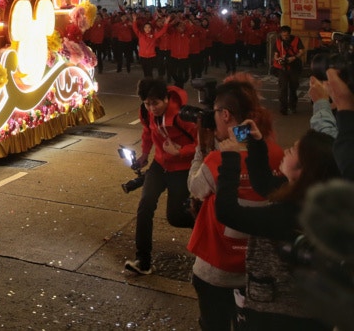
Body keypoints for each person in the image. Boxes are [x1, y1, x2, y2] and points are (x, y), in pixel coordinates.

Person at [215, 124, 339, 329]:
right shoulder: (314, 198)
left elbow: (227, 212)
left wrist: (229, 160)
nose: (287, 149)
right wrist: (256, 143)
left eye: (292, 150)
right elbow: (264, 183)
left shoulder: (290, 216)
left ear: (304, 170)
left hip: (278, 316)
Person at [187, 74, 284, 331]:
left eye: (216, 112)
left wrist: (201, 149)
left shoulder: (217, 161)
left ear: (226, 115)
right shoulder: (275, 153)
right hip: (257, 269)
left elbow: (195, 189)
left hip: (216, 269)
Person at [124, 78, 198, 276]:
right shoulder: (145, 112)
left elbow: (202, 144)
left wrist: (180, 152)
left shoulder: (183, 116)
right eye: (147, 103)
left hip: (181, 168)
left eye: (155, 103)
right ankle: (143, 261)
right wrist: (144, 155)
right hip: (159, 165)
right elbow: (148, 133)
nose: (151, 108)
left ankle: (206, 233)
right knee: (145, 205)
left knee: (175, 216)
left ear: (166, 98)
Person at [272, 25, 305, 115]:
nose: (284, 37)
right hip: (282, 68)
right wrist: (278, 59)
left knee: (293, 88)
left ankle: (292, 106)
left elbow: (301, 51)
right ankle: (283, 108)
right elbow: (275, 53)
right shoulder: (278, 41)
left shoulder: (296, 40)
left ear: (289, 34)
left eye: (286, 35)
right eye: (283, 35)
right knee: (283, 88)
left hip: (294, 67)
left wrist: (294, 58)